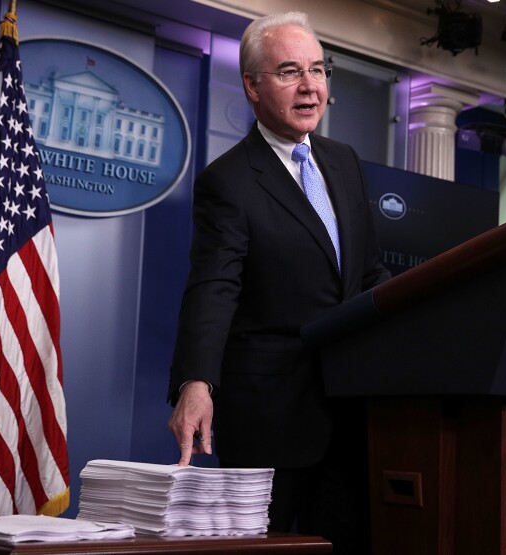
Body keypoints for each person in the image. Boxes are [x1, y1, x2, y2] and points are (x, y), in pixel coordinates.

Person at [166, 11, 390, 553]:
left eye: (318, 69)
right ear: (253, 86)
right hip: (269, 414)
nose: (311, 86)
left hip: (350, 410)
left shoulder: (344, 162)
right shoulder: (229, 181)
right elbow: (213, 287)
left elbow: (367, 273)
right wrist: (196, 382)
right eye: (290, 72)